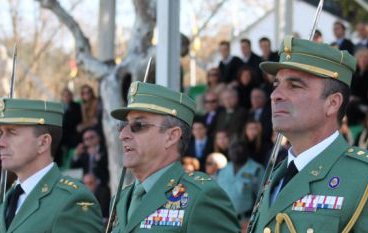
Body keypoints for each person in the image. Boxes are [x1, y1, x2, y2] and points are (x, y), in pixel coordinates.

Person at [252, 35, 368, 232]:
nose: (275, 95)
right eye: (277, 85)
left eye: (294, 85)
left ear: (333, 103)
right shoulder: (275, 177)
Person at [108, 81, 240, 233]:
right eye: (122, 125)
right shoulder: (121, 199)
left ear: (171, 136)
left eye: (138, 125)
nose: (123, 135)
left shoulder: (200, 197)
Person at [0, 98, 103, 233]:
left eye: (12, 133)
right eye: (0, 133)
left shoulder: (71, 201)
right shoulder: (11, 195)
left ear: (43, 143)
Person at [216, 141, 264, 221]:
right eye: (232, 148)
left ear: (246, 151)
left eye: (239, 148)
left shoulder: (257, 169)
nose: (236, 151)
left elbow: (262, 197)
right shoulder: (223, 170)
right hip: (223, 218)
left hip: (246, 220)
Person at [60, 88, 83, 162]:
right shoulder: (60, 107)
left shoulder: (77, 106)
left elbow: (77, 119)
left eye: (68, 95)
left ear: (71, 96)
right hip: (63, 131)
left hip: (74, 130)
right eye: (64, 95)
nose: (66, 97)